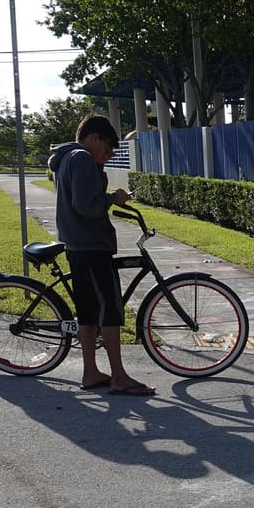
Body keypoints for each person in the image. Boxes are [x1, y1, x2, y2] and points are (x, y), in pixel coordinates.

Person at [48, 115, 154, 396]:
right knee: (109, 310)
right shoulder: (81, 158)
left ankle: (91, 372)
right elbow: (86, 205)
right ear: (94, 137)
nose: (108, 155)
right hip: (92, 246)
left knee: (88, 313)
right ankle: (119, 376)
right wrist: (113, 198)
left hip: (78, 245)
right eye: (107, 149)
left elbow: (81, 197)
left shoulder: (70, 158)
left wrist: (101, 174)